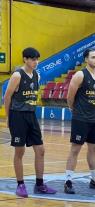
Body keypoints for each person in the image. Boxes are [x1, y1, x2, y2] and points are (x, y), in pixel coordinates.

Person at [4, 47, 57, 198]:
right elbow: (7, 97)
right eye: (33, 59)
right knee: (19, 151)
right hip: (18, 116)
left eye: (37, 59)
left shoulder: (36, 75)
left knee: (40, 150)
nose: (36, 62)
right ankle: (20, 185)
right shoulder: (17, 75)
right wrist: (9, 117)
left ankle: (39, 185)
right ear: (25, 59)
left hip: (31, 115)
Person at [64, 48, 95, 194]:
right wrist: (74, 110)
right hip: (81, 119)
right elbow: (69, 97)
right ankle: (68, 181)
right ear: (86, 59)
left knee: (93, 150)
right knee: (75, 150)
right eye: (93, 57)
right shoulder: (79, 75)